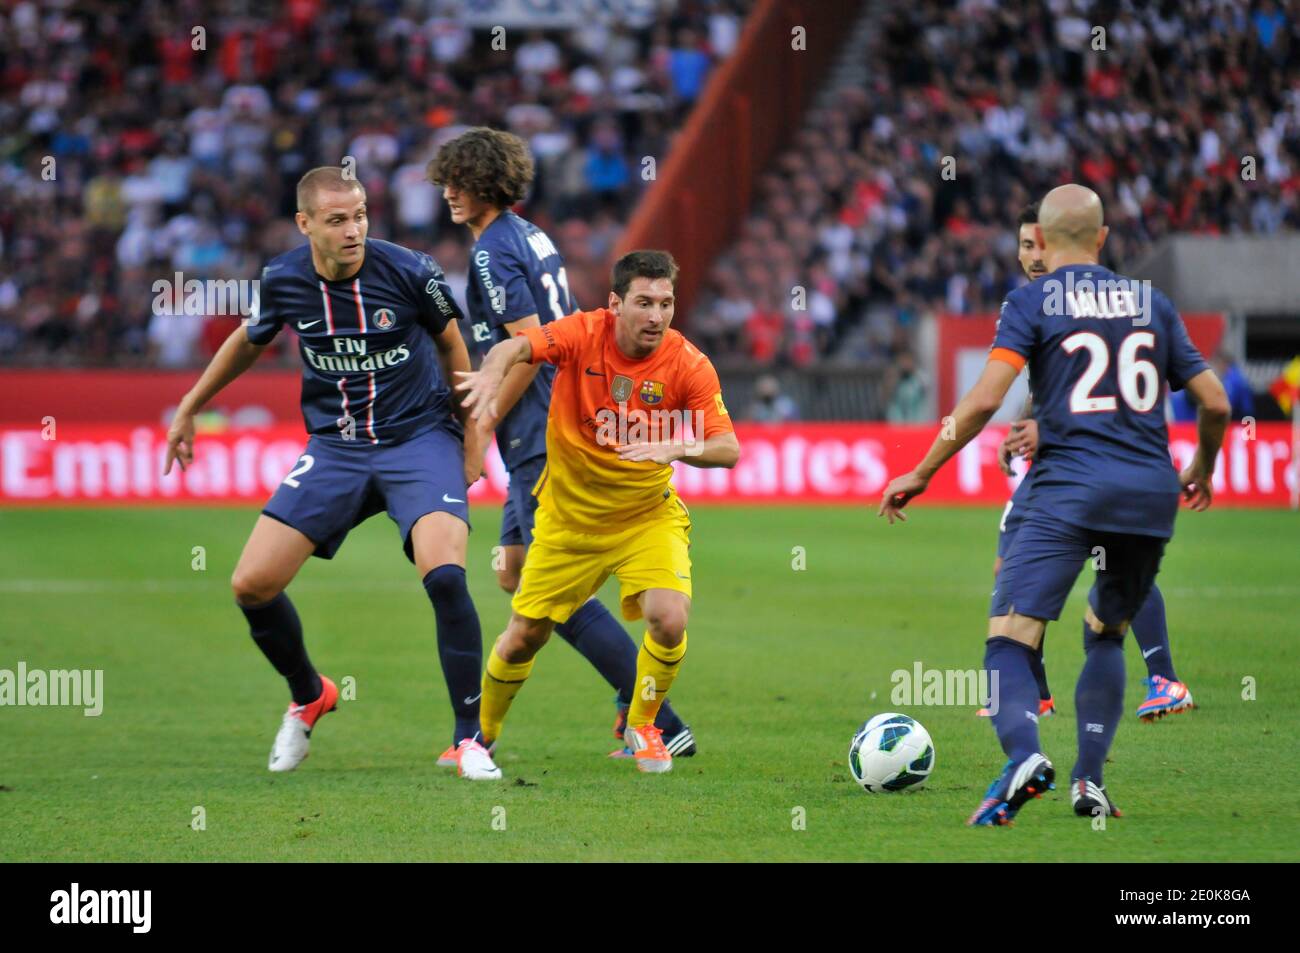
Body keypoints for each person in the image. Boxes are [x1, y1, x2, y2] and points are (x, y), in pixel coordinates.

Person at [879, 184, 1229, 824]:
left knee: (1009, 639)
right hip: (1150, 493)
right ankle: (1088, 782)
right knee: (1105, 634)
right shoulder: (1153, 302)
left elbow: (985, 400)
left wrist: (923, 470)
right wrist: (1202, 467)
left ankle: (1022, 758)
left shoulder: (1031, 300)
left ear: (1039, 238)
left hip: (1069, 488)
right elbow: (1216, 402)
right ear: (1101, 238)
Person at [163, 167, 501, 780]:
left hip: (418, 439)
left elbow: (455, 347)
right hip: (336, 448)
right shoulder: (285, 279)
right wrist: (190, 407)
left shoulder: (411, 271)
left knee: (446, 575)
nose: (355, 229)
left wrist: (473, 441)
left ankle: (468, 739)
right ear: (306, 224)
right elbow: (249, 339)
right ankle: (308, 693)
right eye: (339, 219)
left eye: (362, 215)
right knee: (251, 585)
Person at [426, 127, 696, 762]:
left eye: (456, 182)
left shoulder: (493, 252)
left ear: (481, 183)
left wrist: (481, 427)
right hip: (555, 417)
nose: (447, 193)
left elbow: (525, 348)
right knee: (519, 575)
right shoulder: (529, 234)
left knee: (543, 596)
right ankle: (640, 710)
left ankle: (655, 717)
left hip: (544, 431)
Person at [456, 250, 740, 774]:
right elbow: (518, 346)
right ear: (615, 304)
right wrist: (491, 372)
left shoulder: (688, 363)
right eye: (644, 303)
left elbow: (729, 449)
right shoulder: (583, 334)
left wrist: (675, 448)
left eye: (666, 303)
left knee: (669, 619)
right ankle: (480, 737)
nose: (656, 316)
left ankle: (644, 726)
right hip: (568, 522)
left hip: (645, 517)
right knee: (525, 636)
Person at [985, 203, 1195, 723]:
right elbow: (1060, 383)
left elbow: (1106, 400)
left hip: (1097, 463)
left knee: (1095, 563)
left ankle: (1159, 678)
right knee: (1036, 559)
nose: (1033, 257)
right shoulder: (1043, 302)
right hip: (1071, 463)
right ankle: (1039, 693)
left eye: (1040, 244)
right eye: (1025, 245)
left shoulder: (1084, 301)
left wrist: (1043, 429)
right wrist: (1024, 426)